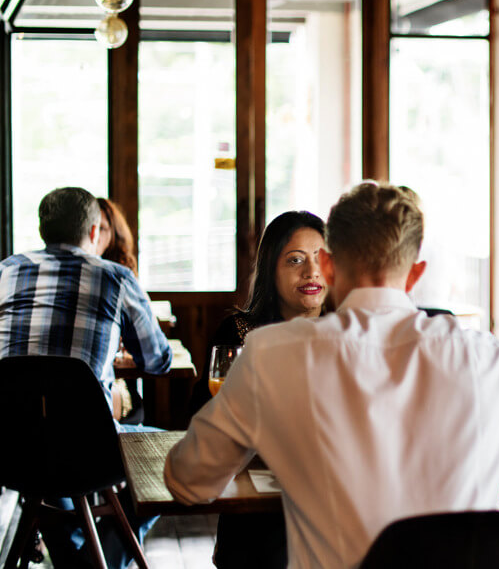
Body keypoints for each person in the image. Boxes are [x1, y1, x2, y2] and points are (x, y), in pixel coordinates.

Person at [165, 181, 499, 569]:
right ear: (415, 273)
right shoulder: (485, 358)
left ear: (327, 265)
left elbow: (188, 482)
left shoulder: (271, 355)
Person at [0, 186, 172, 569]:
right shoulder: (115, 277)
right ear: (95, 232)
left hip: (8, 448)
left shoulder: (5, 270)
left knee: (47, 460)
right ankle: (98, 561)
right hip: (89, 451)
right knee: (181, 456)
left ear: (43, 229)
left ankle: (76, 559)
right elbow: (158, 360)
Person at [203, 210, 328, 569]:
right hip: (258, 513)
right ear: (271, 269)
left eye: (321, 257)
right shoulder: (239, 332)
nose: (311, 271)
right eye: (295, 260)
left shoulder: (347, 331)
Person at [96, 198, 144, 424]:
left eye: (102, 229)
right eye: (91, 228)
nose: (94, 236)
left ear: (114, 234)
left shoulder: (120, 275)